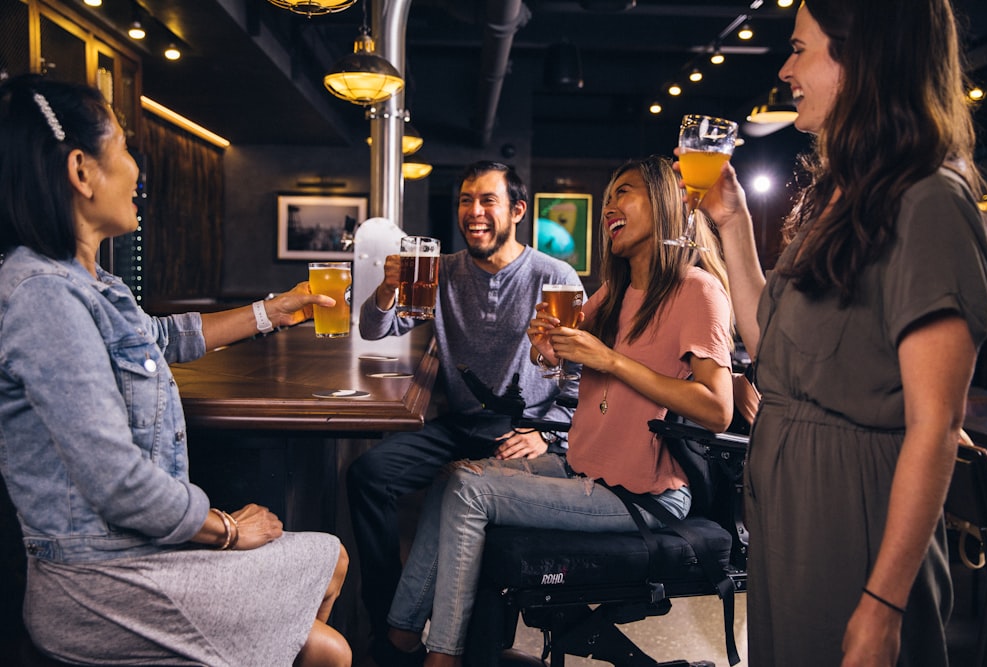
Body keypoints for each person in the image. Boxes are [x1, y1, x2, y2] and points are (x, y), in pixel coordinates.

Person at [0, 74, 351, 667]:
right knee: (329, 652)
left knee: (332, 559)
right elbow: (119, 484)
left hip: (135, 553)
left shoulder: (94, 284)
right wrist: (227, 530)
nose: (139, 170)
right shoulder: (43, 297)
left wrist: (273, 311)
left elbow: (160, 338)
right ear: (81, 172)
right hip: (95, 582)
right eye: (125, 148)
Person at [698, 1, 987, 665]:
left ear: (860, 57)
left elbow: (937, 426)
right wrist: (735, 224)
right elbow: (775, 351)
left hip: (855, 518)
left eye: (801, 49)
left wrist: (884, 602)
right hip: (791, 512)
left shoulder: (930, 202)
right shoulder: (840, 195)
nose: (785, 68)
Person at [382, 155, 736, 666]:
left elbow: (718, 411)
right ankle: (399, 637)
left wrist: (610, 360)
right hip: (587, 464)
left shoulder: (696, 290)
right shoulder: (615, 292)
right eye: (609, 195)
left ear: (663, 206)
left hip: (642, 492)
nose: (611, 205)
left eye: (625, 193)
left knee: (469, 488)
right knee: (449, 479)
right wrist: (546, 345)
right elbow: (558, 356)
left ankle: (442, 656)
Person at [349, 160, 583, 663]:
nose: (473, 212)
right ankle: (386, 611)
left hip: (521, 430)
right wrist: (388, 289)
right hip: (460, 425)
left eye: (487, 201)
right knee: (369, 473)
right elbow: (373, 330)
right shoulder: (442, 271)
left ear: (517, 210)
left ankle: (408, 635)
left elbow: (581, 372)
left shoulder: (553, 276)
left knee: (455, 497)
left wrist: (549, 435)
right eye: (465, 200)